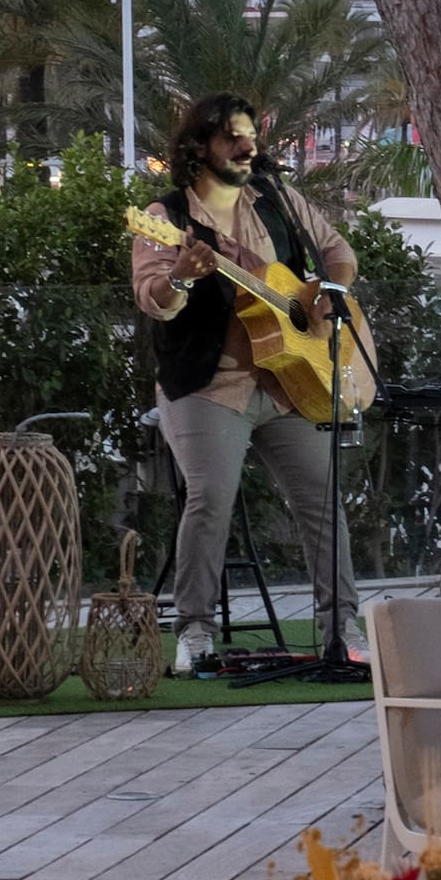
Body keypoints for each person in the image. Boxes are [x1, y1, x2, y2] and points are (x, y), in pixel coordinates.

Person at [132, 92, 366, 674]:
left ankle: (342, 628)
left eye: (249, 135)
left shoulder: (279, 202)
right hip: (210, 386)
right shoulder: (165, 220)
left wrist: (327, 296)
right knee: (210, 499)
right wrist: (182, 279)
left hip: (289, 380)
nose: (246, 145)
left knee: (322, 499)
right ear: (199, 147)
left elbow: (338, 252)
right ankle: (194, 634)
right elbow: (152, 301)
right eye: (231, 136)